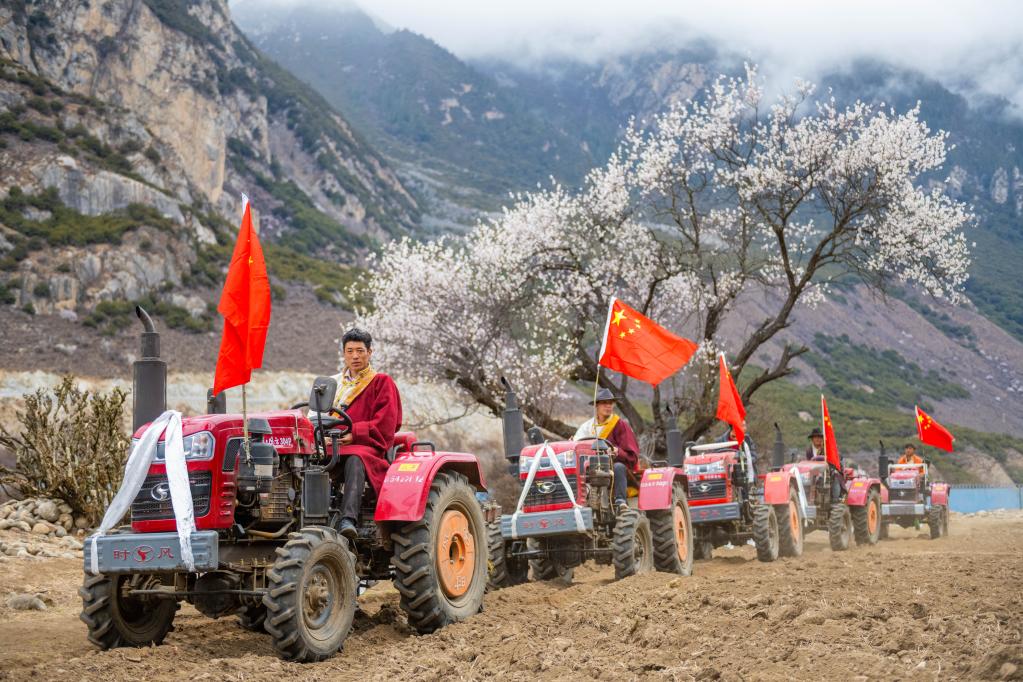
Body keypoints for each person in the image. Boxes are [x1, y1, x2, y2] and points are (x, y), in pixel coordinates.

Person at [331, 328, 402, 540]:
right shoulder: (334, 385)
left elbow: (387, 423)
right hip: (333, 444)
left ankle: (348, 519)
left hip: (367, 446)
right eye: (350, 351)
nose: (355, 356)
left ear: (370, 352)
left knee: (356, 457)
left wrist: (355, 434)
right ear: (343, 353)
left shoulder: (381, 382)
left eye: (360, 351)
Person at [573, 387, 640, 512]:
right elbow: (576, 443)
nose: (608, 406)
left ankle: (621, 501)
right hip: (590, 467)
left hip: (613, 466)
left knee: (619, 467)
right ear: (596, 406)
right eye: (604, 403)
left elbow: (631, 455)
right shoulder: (587, 426)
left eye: (610, 403)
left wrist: (617, 451)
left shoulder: (620, 424)